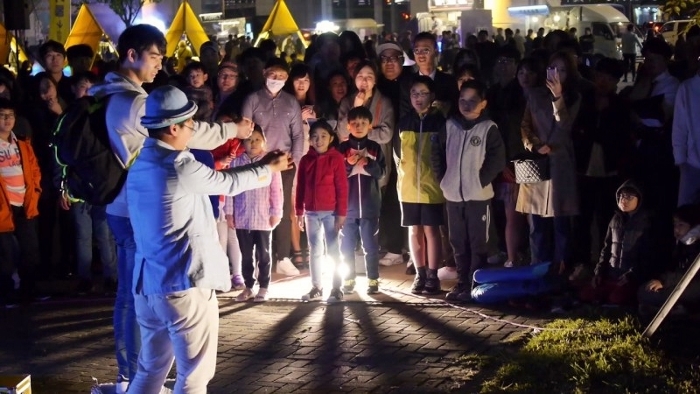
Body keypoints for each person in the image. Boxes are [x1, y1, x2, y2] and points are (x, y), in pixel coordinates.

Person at [88, 24, 255, 391]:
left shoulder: (112, 97)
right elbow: (198, 146)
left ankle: (132, 377)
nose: (159, 63)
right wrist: (234, 133)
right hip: (142, 223)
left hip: (127, 211)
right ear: (131, 55)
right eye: (154, 56)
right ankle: (127, 376)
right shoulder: (136, 108)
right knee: (187, 361)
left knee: (142, 315)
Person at [126, 85, 290, 392]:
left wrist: (231, 130)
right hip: (183, 282)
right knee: (195, 376)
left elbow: (205, 147)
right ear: (173, 127)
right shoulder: (178, 164)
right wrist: (266, 168)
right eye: (189, 124)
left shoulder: (140, 163)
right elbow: (226, 183)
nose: (193, 130)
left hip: (148, 283)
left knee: (150, 371)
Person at [433, 79, 505, 301]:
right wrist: (443, 178)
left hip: (478, 197)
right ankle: (462, 282)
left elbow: (497, 158)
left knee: (477, 242)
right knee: (457, 241)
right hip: (453, 196)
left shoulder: (488, 128)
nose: (467, 105)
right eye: (463, 100)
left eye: (473, 101)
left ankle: (477, 283)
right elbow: (436, 152)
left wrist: (480, 180)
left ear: (483, 103)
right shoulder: (450, 125)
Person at [242, 57, 304, 277]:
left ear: (287, 78)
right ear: (265, 73)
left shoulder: (291, 102)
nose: (276, 80)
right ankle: (261, 258)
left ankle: (283, 257)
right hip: (259, 163)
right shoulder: (252, 100)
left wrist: (294, 159)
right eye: (273, 75)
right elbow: (245, 132)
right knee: (258, 208)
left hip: (285, 163)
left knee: (284, 210)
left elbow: (297, 135)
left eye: (281, 76)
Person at [60, 73, 117, 296]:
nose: (87, 91)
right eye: (83, 87)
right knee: (83, 235)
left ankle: (111, 276)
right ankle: (85, 277)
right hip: (78, 185)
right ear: (74, 89)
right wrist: (62, 185)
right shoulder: (69, 117)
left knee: (105, 234)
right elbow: (59, 153)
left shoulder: (104, 114)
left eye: (91, 87)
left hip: (103, 185)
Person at [397, 76, 446, 295]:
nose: (418, 97)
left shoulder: (439, 122)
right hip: (407, 187)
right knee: (414, 230)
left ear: (432, 96)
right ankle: (420, 273)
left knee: (431, 230)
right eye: (414, 93)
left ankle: (433, 275)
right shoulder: (404, 121)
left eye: (423, 93)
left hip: (432, 186)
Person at [228, 126, 283, 302]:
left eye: (257, 139)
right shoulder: (236, 162)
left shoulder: (269, 163)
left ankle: (264, 286)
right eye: (250, 139)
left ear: (264, 141)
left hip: (263, 217)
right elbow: (230, 189)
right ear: (243, 141)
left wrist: (276, 212)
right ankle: (248, 286)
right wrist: (229, 213)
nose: (253, 143)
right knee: (246, 254)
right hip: (242, 217)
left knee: (264, 254)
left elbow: (276, 190)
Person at [296, 120, 348, 302]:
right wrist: (299, 211)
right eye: (315, 137)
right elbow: (300, 187)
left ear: (331, 138)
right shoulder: (305, 160)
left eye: (323, 136)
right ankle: (316, 286)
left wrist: (341, 213)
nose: (319, 140)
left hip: (331, 213)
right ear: (310, 140)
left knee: (334, 250)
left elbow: (342, 188)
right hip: (311, 213)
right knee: (315, 250)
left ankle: (336, 287)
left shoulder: (336, 159)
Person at [580, 181, 656, 306]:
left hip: (630, 278)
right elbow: (606, 249)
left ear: (639, 199)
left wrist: (632, 275)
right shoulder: (615, 220)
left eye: (629, 197)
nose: (623, 200)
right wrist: (599, 272)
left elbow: (648, 256)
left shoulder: (646, 222)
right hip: (612, 274)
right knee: (586, 294)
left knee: (617, 298)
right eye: (621, 196)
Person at [0, 98, 42, 308]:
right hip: (3, 208)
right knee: (5, 255)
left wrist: (34, 192)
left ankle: (28, 292)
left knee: (30, 251)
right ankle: (6, 294)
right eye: (2, 115)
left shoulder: (22, 144)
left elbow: (34, 171)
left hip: (25, 204)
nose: (7, 120)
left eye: (10, 115)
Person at [339, 107, 385, 295]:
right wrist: (348, 165)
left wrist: (369, 163)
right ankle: (348, 280)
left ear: (370, 126)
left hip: (369, 207)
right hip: (347, 209)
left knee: (370, 246)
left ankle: (373, 280)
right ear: (348, 126)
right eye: (355, 123)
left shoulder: (375, 148)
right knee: (346, 247)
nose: (359, 127)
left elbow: (382, 173)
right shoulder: (341, 149)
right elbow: (337, 176)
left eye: (363, 123)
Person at [638, 204, 700, 315]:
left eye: (681, 225)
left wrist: (664, 281)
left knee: (654, 295)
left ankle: (684, 309)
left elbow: (688, 274)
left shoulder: (695, 246)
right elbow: (673, 268)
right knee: (645, 290)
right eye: (675, 224)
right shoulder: (681, 244)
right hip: (680, 283)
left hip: (695, 285)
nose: (676, 229)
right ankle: (677, 309)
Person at [672, 66, 700, 206]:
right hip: (692, 164)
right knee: (686, 215)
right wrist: (681, 160)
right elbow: (679, 127)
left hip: (691, 162)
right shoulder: (687, 88)